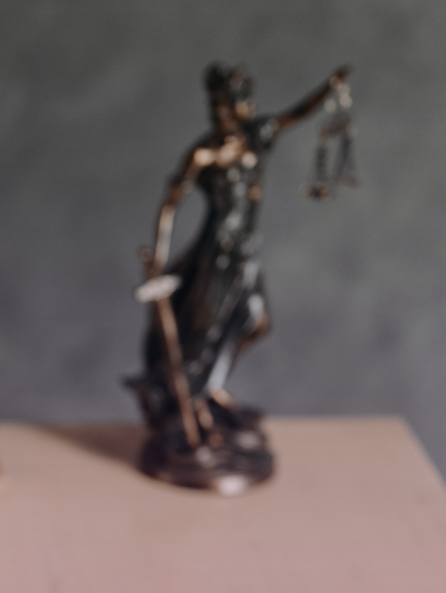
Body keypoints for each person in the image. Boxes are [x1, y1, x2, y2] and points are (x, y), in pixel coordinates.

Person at [128, 62, 352, 491]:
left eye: (233, 104)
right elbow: (172, 201)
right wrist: (157, 254)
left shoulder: (257, 136)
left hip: (247, 254)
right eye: (220, 105)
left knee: (256, 323)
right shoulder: (205, 153)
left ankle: (212, 386)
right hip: (216, 256)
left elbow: (295, 114)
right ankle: (191, 404)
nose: (227, 112)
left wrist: (329, 90)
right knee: (202, 335)